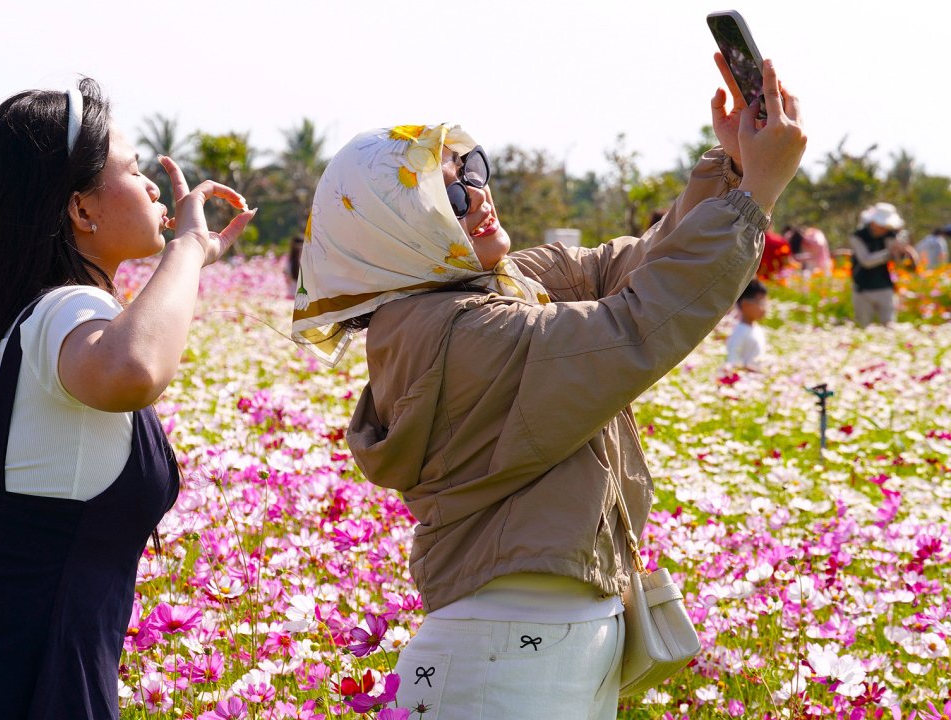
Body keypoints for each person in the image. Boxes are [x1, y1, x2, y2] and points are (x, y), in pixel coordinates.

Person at [291, 58, 805, 718]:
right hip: (508, 654)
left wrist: (731, 168)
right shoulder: (457, 332)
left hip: (531, 648)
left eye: (472, 175)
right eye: (447, 196)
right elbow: (634, 323)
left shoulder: (484, 293)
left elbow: (624, 270)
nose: (478, 198)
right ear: (394, 233)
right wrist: (752, 199)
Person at [0, 78, 254, 720]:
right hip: (10, 688)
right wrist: (188, 246)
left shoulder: (33, 315)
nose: (158, 187)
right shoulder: (67, 309)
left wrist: (190, 258)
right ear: (81, 211)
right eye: (136, 171)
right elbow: (134, 367)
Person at [849, 202, 913, 327]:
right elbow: (866, 261)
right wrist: (889, 253)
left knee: (889, 324)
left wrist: (900, 252)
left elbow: (897, 261)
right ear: (873, 222)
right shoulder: (858, 236)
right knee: (863, 325)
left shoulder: (890, 235)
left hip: (884, 286)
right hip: (862, 287)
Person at [726, 279, 769, 371]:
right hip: (746, 382)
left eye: (766, 303)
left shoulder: (756, 328)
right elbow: (733, 362)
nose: (765, 308)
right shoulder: (739, 332)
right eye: (761, 303)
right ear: (745, 304)